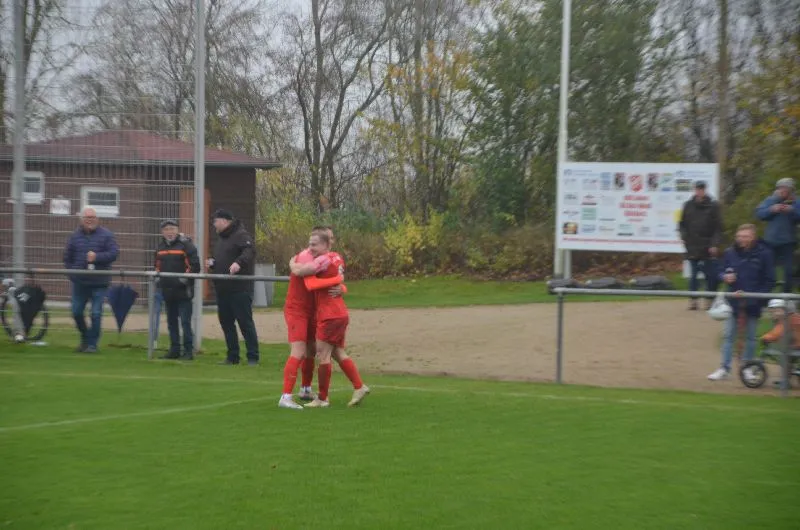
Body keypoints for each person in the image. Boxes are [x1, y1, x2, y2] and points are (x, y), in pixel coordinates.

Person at [300, 228, 369, 408]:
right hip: (339, 312)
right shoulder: (337, 257)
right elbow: (337, 276)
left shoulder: (322, 260)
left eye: (314, 245)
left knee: (323, 355)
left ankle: (322, 398)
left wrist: (295, 264)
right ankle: (359, 386)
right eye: (309, 244)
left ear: (325, 245)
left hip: (329, 314)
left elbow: (309, 280)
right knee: (338, 352)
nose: (310, 248)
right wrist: (340, 283)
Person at [278, 247, 346, 409]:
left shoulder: (326, 259)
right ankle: (285, 396)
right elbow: (310, 283)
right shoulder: (306, 257)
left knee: (311, 350)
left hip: (314, 310)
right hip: (297, 310)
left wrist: (342, 287)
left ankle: (306, 389)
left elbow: (332, 281)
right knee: (299, 351)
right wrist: (338, 279)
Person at [708, 224, 775, 381]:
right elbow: (719, 271)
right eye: (739, 236)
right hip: (733, 301)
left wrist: (755, 296)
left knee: (751, 337)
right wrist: (724, 277)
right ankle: (724, 368)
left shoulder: (765, 254)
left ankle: (747, 368)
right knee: (728, 336)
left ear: (753, 237)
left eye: (745, 236)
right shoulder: (730, 252)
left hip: (753, 302)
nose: (741, 239)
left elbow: (770, 280)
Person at [63, 207, 119, 353]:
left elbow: (114, 253)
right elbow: (67, 258)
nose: (90, 220)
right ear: (81, 219)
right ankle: (85, 337)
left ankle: (92, 345)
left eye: (93, 217)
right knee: (76, 312)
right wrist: (72, 274)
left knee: (96, 313)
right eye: (87, 217)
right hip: (80, 283)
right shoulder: (74, 236)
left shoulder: (106, 235)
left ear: (97, 219)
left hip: (99, 282)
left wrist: (97, 257)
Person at [207, 209, 259, 366]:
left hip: (239, 289)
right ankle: (232, 356)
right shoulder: (222, 239)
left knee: (245, 323)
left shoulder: (241, 235)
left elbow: (249, 251)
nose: (214, 224)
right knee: (226, 323)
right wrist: (213, 263)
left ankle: (253, 357)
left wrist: (238, 263)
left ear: (225, 221)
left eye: (216, 221)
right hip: (223, 290)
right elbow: (223, 258)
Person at [155, 220, 200, 360]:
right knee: (171, 322)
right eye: (166, 229)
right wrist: (159, 280)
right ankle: (174, 350)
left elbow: (195, 266)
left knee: (185, 322)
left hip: (183, 291)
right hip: (168, 291)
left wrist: (183, 281)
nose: (170, 232)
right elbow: (157, 266)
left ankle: (188, 351)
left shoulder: (186, 245)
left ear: (177, 230)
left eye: (172, 229)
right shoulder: (160, 247)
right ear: (162, 232)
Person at [679, 181, 723, 310]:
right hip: (692, 246)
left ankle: (709, 299)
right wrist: (684, 237)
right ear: (694, 190)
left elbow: (718, 228)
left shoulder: (713, 205)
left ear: (705, 190)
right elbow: (682, 224)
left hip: (707, 246)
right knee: (693, 275)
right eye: (697, 189)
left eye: (701, 189)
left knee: (710, 275)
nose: (699, 191)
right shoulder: (688, 205)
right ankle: (693, 300)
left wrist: (714, 244)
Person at [755, 178, 800, 292]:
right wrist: (771, 210)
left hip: (788, 241)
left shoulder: (797, 201)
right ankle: (768, 294)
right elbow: (759, 214)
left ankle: (786, 296)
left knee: (788, 271)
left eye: (785, 188)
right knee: (768, 269)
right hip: (770, 241)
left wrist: (792, 210)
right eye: (780, 188)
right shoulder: (770, 200)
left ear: (791, 189)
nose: (782, 190)